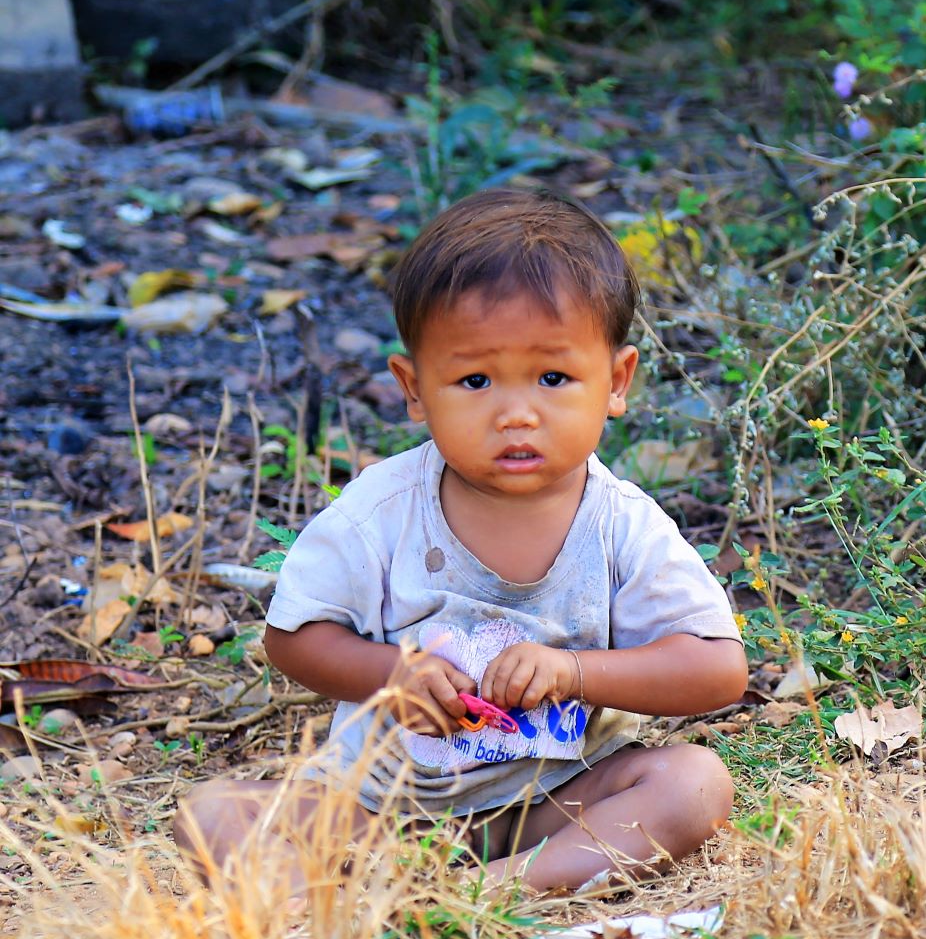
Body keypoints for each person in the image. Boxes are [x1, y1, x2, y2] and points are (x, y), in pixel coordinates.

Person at [174, 189, 747, 896]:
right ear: (415, 389)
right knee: (213, 814)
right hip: (378, 811)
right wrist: (390, 675)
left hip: (553, 804)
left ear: (616, 381)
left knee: (692, 784)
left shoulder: (621, 524)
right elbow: (293, 639)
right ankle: (328, 914)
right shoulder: (382, 512)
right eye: (474, 380)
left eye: (554, 378)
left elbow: (716, 671)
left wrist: (574, 672)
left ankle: (499, 891)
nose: (515, 413)